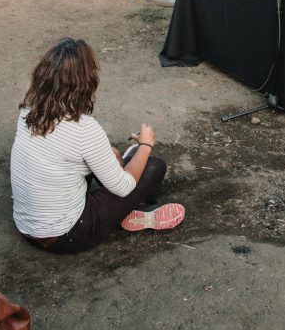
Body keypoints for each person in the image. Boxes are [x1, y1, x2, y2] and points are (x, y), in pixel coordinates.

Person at [11, 38, 184, 254]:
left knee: (112, 154)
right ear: (86, 82)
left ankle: (123, 182)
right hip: (67, 236)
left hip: (27, 227)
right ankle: (129, 207)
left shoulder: (28, 109)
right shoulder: (85, 129)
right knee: (154, 166)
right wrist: (146, 144)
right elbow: (123, 187)